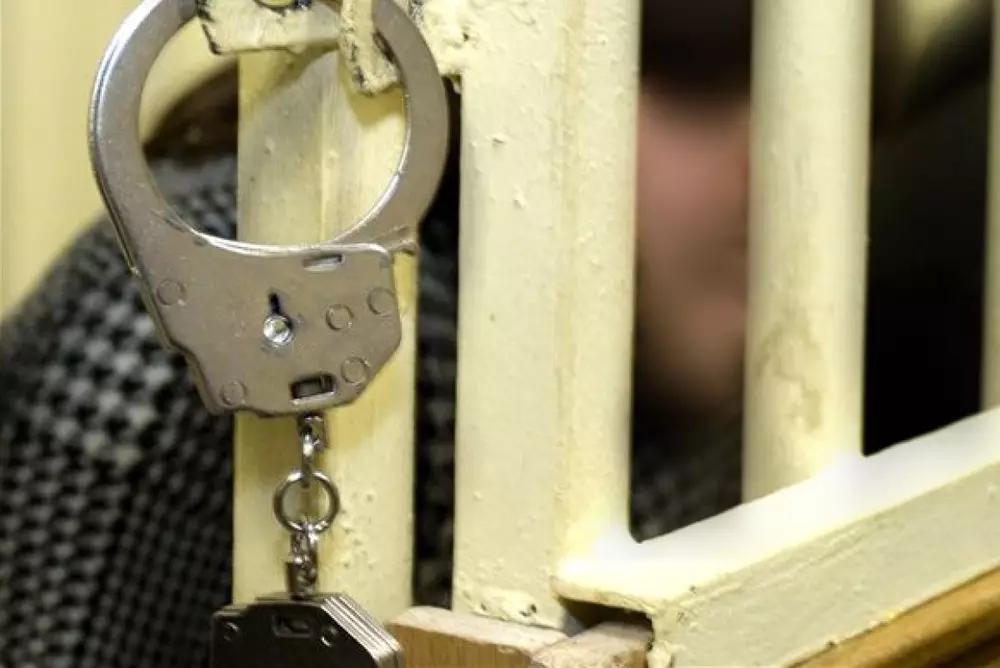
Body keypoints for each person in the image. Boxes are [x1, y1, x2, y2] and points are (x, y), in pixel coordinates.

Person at [0, 1, 992, 665]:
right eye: (692, 81)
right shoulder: (177, 359)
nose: (773, 171)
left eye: (828, 109)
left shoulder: (769, 353)